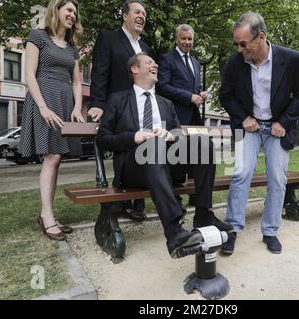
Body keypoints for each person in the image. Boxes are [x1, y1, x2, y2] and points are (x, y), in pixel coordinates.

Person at [97, 53, 232, 258]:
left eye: (155, 62)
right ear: (135, 69)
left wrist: (171, 135)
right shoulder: (118, 99)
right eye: (150, 62)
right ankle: (174, 232)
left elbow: (179, 135)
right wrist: (134, 137)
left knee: (203, 142)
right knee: (152, 145)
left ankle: (204, 215)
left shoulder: (166, 103)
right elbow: (103, 138)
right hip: (134, 167)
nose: (156, 65)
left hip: (165, 164)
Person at [218, 12, 299, 255]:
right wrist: (243, 118)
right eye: (236, 44)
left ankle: (270, 231)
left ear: (261, 37)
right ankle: (232, 228)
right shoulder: (235, 62)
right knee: (240, 174)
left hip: (277, 127)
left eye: (243, 43)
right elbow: (225, 95)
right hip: (250, 126)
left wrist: (286, 121)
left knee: (278, 178)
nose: (239, 49)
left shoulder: (291, 59)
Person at [19, 0, 84, 241]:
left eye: (75, 13)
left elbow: (77, 81)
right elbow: (29, 74)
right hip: (43, 96)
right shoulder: (37, 36)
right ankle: (47, 216)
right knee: (51, 156)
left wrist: (77, 107)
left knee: (56, 159)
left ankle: (48, 213)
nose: (73, 15)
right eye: (68, 10)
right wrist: (43, 107)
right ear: (55, 10)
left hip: (65, 100)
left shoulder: (71, 47)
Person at [90, 0, 153, 221]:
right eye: (137, 12)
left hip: (143, 107)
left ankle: (137, 202)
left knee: (146, 147)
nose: (141, 16)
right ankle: (122, 200)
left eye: (144, 14)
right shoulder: (108, 38)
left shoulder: (145, 47)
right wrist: (97, 103)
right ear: (124, 15)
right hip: (119, 107)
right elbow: (99, 72)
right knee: (126, 147)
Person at [157, 24, 207, 210]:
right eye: (184, 38)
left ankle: (195, 195)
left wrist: (200, 94)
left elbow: (193, 88)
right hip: (175, 116)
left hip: (194, 116)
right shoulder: (166, 58)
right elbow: (162, 86)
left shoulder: (195, 62)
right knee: (176, 158)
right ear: (176, 39)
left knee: (197, 155)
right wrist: (189, 96)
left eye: (190, 39)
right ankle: (175, 200)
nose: (187, 42)